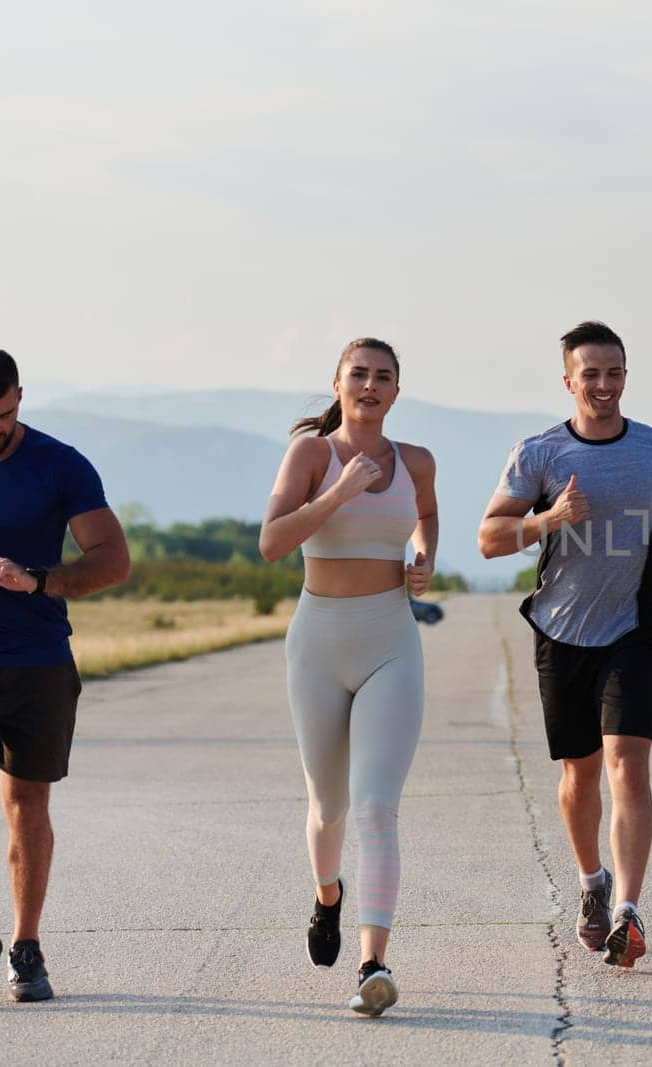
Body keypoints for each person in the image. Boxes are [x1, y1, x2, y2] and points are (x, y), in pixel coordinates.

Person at [479, 320, 652, 968]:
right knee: (578, 776)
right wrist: (550, 518)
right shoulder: (541, 453)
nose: (603, 385)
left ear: (626, 377)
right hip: (560, 631)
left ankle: (629, 911)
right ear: (568, 381)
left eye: (614, 373)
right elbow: (489, 538)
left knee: (627, 766)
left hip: (630, 630)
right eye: (591, 375)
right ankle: (591, 882)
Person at [0, 348, 131, 1006]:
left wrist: (40, 581)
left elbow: (112, 559)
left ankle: (25, 945)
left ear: (21, 396)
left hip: (38, 658)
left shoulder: (60, 465)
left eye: (7, 412)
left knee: (27, 808)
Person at [259, 337, 438, 1016]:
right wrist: (339, 490)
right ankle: (327, 893)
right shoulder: (311, 455)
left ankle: (373, 963)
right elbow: (272, 542)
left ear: (397, 391)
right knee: (328, 806)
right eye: (357, 373)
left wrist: (422, 557)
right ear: (337, 384)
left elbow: (427, 517)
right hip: (319, 644)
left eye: (382, 376)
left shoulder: (416, 461)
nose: (369, 384)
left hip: (392, 639)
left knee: (375, 806)